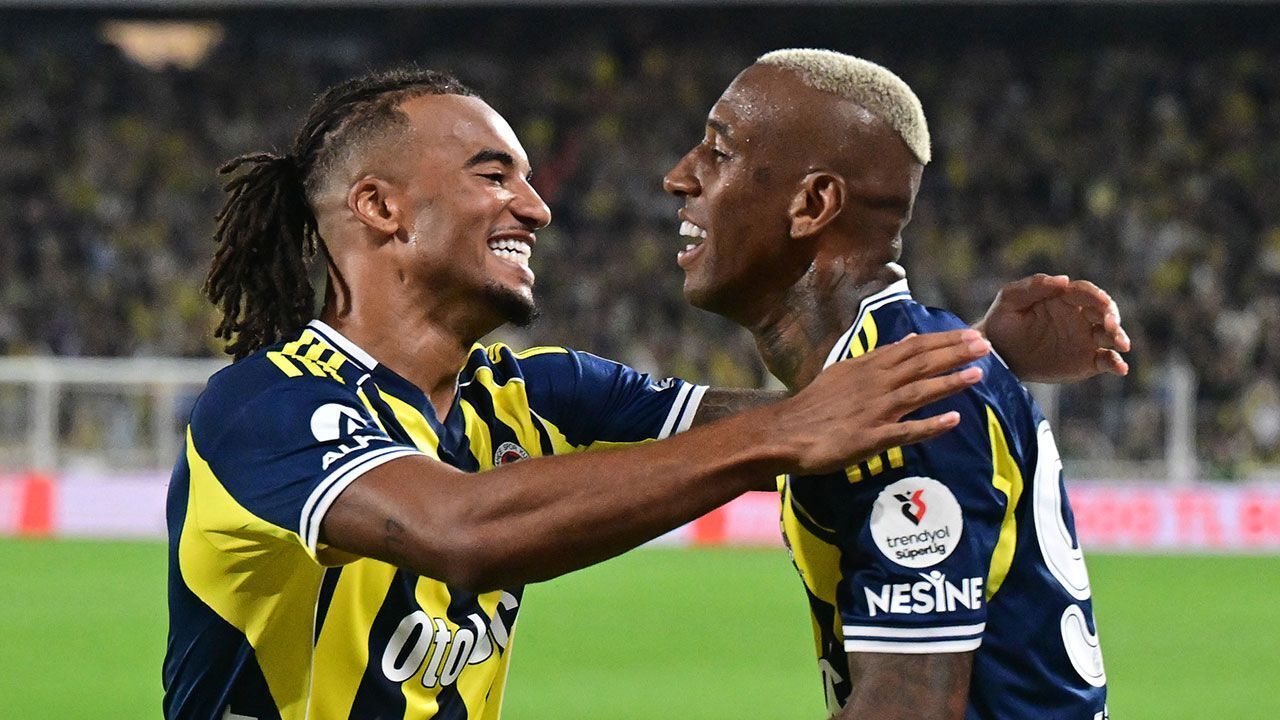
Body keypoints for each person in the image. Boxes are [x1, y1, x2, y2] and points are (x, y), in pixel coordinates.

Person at [165, 68, 1120, 719]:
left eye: (530, 180)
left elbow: (835, 417)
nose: (537, 207)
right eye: (495, 175)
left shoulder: (532, 398)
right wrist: (788, 432)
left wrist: (965, 359)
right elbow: (457, 529)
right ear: (381, 207)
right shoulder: (262, 409)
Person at [663, 49, 1116, 719]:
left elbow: (911, 708)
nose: (679, 177)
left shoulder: (916, 408)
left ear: (812, 203)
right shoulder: (888, 378)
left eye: (719, 152)